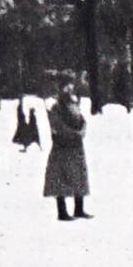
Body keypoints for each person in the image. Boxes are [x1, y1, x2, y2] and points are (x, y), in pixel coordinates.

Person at [44, 83, 90, 220]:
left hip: (76, 146)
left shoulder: (74, 104)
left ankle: (79, 208)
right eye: (66, 86)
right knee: (61, 180)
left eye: (70, 86)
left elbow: (82, 120)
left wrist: (82, 131)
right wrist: (74, 134)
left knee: (79, 178)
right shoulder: (56, 107)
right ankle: (62, 212)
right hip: (63, 146)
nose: (69, 89)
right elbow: (57, 125)